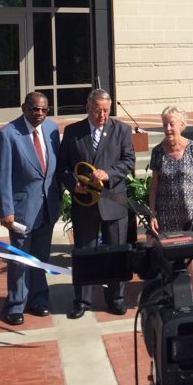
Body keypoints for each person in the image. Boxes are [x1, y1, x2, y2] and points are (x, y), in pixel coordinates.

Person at [58, 88, 135, 317]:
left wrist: (109, 173)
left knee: (116, 251)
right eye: (97, 110)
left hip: (113, 200)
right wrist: (73, 184)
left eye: (106, 110)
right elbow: (62, 165)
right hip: (84, 203)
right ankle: (82, 300)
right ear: (88, 108)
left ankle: (117, 298)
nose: (102, 115)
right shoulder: (73, 132)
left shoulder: (121, 130)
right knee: (84, 252)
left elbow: (129, 160)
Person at [0, 91, 61, 326]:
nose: (39, 113)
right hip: (20, 211)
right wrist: (6, 210)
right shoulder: (8, 135)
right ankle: (15, 305)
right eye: (34, 109)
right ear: (24, 108)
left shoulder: (51, 129)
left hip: (47, 208)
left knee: (40, 257)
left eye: (43, 109)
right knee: (20, 260)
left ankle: (38, 300)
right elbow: (1, 176)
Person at [148, 105, 193, 299]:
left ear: (181, 125)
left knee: (189, 252)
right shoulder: (158, 152)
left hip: (188, 213)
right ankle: (171, 290)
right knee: (168, 252)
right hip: (166, 213)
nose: (167, 129)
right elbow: (154, 187)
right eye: (164, 124)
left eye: (171, 124)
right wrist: (153, 213)